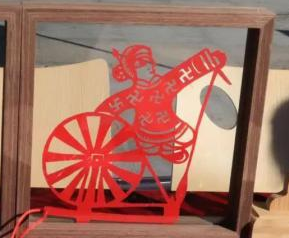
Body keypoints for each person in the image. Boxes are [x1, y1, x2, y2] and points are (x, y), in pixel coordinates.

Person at [96, 45, 226, 164]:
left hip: (174, 131)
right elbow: (108, 107)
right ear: (132, 71)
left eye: (149, 62)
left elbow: (186, 71)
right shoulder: (133, 95)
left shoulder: (166, 84)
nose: (149, 67)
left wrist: (208, 61)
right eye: (141, 64)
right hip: (146, 139)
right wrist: (96, 122)